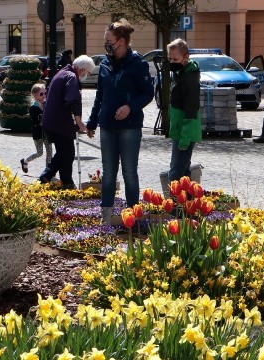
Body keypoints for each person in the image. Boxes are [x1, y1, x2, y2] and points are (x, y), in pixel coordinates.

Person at [86, 19, 154, 224]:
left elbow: (148, 93)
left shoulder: (139, 64)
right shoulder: (105, 64)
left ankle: (132, 216)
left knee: (129, 172)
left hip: (130, 127)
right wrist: (91, 122)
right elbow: (100, 95)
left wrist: (130, 106)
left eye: (109, 41)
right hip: (107, 124)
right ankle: (106, 217)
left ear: (121, 41)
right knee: (108, 173)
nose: (106, 45)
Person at [39, 55, 94, 190]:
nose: (86, 75)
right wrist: (79, 121)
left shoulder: (62, 73)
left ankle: (63, 181)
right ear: (82, 70)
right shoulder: (71, 76)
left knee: (64, 152)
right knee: (67, 152)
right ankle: (54, 178)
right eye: (87, 72)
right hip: (59, 122)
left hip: (52, 121)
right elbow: (73, 99)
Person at [166, 38, 202, 185]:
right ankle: (187, 204)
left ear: (186, 57)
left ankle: (175, 205)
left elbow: (191, 109)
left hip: (184, 131)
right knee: (183, 170)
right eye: (169, 58)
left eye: (175, 59)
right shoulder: (181, 73)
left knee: (176, 172)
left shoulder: (189, 77)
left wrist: (185, 137)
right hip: (179, 128)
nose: (172, 62)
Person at [20, 83, 52, 173]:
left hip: (47, 132)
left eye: (45, 93)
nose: (44, 96)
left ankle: (48, 171)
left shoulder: (46, 104)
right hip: (38, 133)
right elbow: (34, 121)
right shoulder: (33, 107)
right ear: (35, 96)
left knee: (50, 151)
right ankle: (25, 162)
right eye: (41, 94)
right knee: (39, 153)